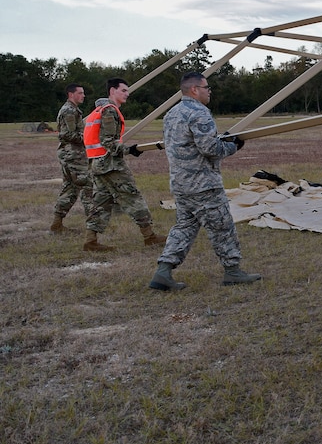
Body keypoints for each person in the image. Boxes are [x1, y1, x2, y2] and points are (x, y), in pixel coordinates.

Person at [149, 73, 261, 290]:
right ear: (194, 90)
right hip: (203, 185)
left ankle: (163, 271)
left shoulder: (171, 114)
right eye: (206, 87)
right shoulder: (199, 113)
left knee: (184, 227)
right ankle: (233, 271)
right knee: (222, 227)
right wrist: (234, 146)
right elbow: (210, 149)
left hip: (181, 183)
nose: (209, 91)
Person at [82, 78, 164, 252]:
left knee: (101, 202)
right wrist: (130, 149)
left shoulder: (98, 110)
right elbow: (108, 142)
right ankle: (150, 237)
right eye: (124, 90)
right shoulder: (110, 111)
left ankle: (91, 241)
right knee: (133, 197)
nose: (127, 94)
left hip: (97, 163)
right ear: (113, 91)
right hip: (111, 164)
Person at [50, 83, 94, 233]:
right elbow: (67, 134)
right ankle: (93, 226)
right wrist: (88, 138)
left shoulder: (73, 110)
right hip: (72, 155)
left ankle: (56, 225)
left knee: (70, 189)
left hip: (71, 154)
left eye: (83, 93)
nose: (83, 95)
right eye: (80, 93)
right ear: (71, 94)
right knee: (88, 185)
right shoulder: (69, 111)